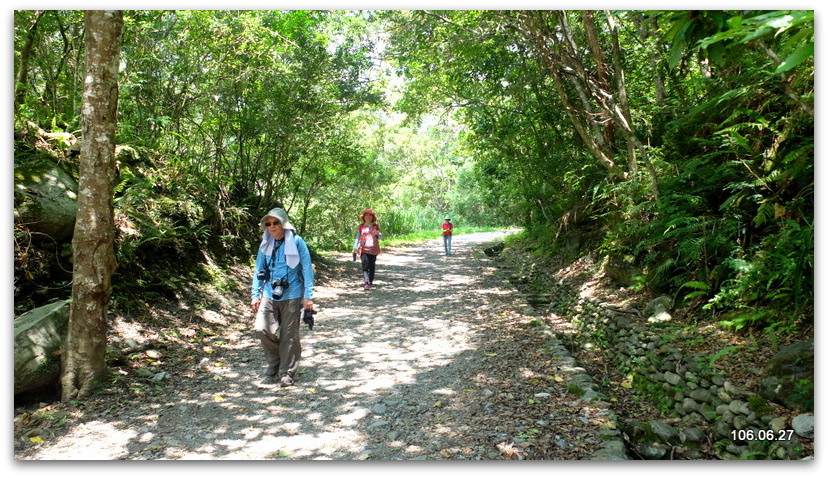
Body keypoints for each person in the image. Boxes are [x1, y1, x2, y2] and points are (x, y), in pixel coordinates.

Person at [250, 207, 315, 387]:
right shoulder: (265, 243)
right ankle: (274, 363)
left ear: (283, 223)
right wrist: (255, 294)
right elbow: (258, 270)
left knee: (289, 334)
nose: (272, 226)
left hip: (293, 293)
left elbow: (306, 268)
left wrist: (308, 296)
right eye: (268, 224)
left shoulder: (297, 241)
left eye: (275, 222)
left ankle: (287, 372)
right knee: (262, 328)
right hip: (270, 293)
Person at [352, 208, 381, 290]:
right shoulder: (360, 227)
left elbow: (380, 237)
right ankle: (366, 282)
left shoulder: (376, 226)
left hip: (373, 249)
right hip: (363, 249)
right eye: (366, 215)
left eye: (370, 216)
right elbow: (357, 237)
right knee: (365, 265)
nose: (368, 217)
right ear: (364, 217)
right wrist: (354, 247)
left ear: (372, 217)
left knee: (372, 266)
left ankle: (371, 281)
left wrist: (378, 233)